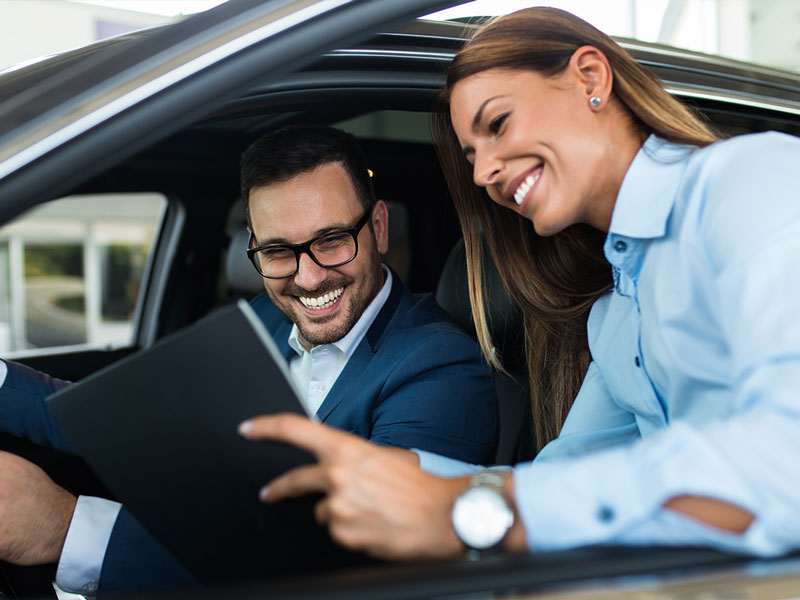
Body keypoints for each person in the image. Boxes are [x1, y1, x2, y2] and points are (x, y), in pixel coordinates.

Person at [238, 7, 800, 563]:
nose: (484, 173)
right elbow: (561, 478)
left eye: (498, 124)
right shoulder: (615, 315)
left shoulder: (751, 182)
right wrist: (400, 471)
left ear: (591, 79)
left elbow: (784, 461)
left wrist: (476, 516)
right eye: (472, 154)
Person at [0, 125, 498, 593]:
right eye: (279, 251)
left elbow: (354, 573)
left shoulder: (442, 369)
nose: (307, 278)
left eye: (331, 240)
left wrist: (68, 530)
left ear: (380, 228)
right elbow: (131, 418)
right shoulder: (266, 317)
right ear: (254, 249)